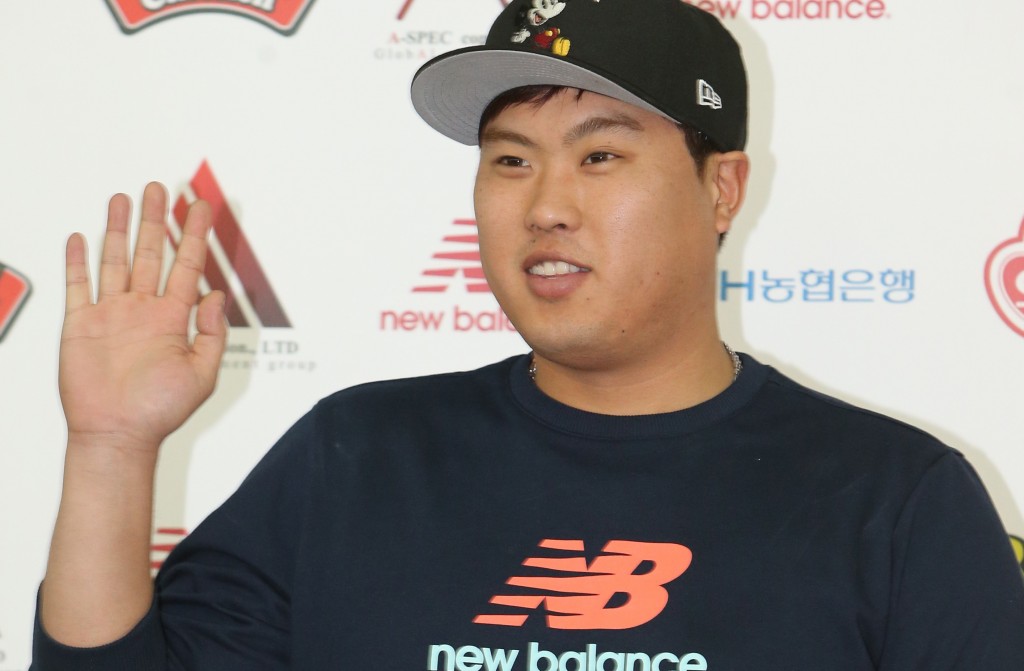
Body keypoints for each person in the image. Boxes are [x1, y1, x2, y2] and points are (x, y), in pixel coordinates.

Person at [32, 0, 1024, 669]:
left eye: (599, 155)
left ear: (720, 187)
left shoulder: (896, 498)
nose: (545, 204)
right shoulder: (356, 453)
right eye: (510, 160)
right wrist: (112, 451)